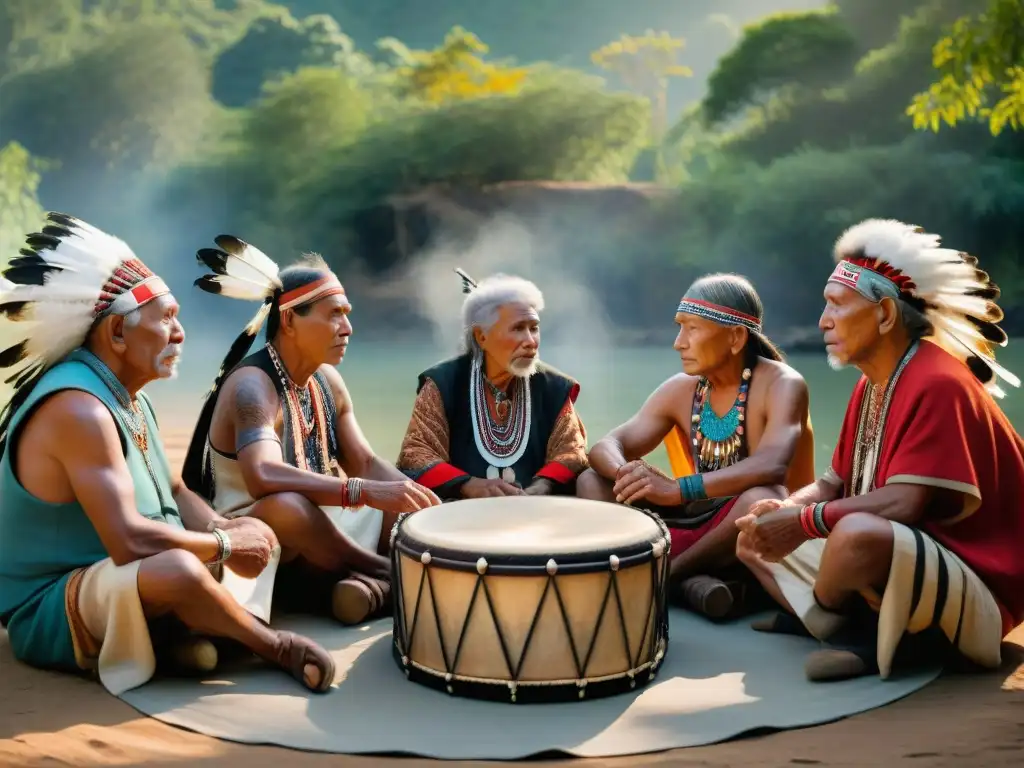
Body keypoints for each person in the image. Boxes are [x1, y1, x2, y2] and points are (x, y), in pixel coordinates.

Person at [0, 213, 335, 696]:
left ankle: (184, 636)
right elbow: (129, 542)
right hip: (50, 605)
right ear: (117, 334)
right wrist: (223, 548)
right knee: (179, 567)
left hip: (125, 574)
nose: (180, 335)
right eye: (167, 320)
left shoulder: (130, 395)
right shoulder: (79, 410)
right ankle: (269, 644)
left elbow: (175, 491)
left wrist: (224, 529)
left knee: (256, 528)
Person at [736, 218, 1024, 683]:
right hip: (903, 554)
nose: (822, 321)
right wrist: (787, 509)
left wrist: (802, 522)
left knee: (856, 536)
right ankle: (834, 618)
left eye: (836, 305)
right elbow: (833, 483)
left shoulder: (938, 382)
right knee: (752, 527)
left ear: (886, 315)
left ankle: (858, 634)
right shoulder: (872, 383)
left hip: (980, 586)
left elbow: (905, 502)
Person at [183, 237, 440, 627]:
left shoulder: (327, 381)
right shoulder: (252, 386)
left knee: (405, 507)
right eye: (334, 314)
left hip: (323, 533)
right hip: (263, 539)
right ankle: (385, 573)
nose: (348, 328)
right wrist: (364, 491)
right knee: (286, 507)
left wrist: (421, 503)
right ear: (288, 320)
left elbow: (366, 463)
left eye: (347, 314)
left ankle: (360, 589)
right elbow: (263, 477)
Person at [578, 274, 815, 620]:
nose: (678, 342)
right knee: (590, 481)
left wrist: (677, 489)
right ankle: (689, 582)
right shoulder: (683, 388)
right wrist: (627, 473)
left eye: (692, 328)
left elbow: (771, 466)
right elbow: (607, 445)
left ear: (735, 337)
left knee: (759, 498)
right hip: (701, 517)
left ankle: (666, 575)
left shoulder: (783, 384)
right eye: (679, 327)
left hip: (758, 530)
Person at [396, 270, 588, 499]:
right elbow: (417, 453)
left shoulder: (553, 387)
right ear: (481, 337)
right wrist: (468, 485)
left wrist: (544, 485)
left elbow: (571, 451)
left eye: (534, 328)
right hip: (457, 514)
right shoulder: (444, 383)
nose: (530, 341)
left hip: (536, 512)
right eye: (518, 328)